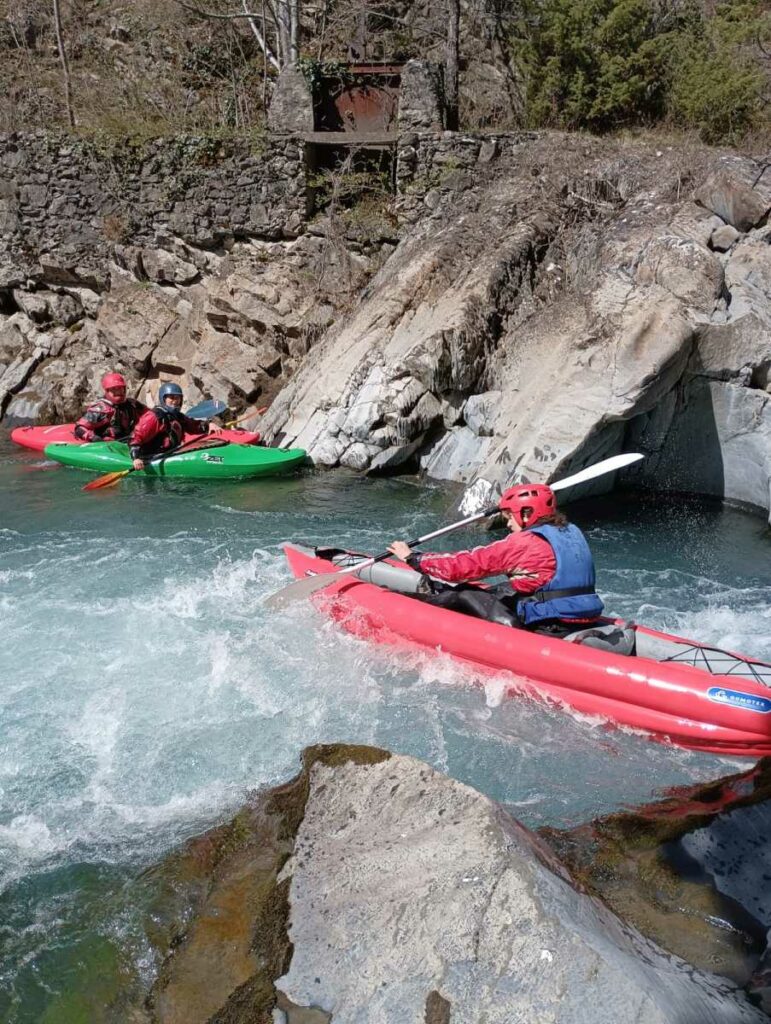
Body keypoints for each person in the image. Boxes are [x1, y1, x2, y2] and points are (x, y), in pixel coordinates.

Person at [388, 483, 604, 635]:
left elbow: (465, 566)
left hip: (550, 622)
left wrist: (414, 559)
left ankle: (406, 605)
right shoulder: (571, 531)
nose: (508, 524)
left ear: (526, 513)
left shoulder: (525, 543)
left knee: (464, 593)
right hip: (584, 613)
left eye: (510, 517)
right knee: (501, 589)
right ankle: (435, 590)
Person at [129, 381, 219, 470]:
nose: (175, 401)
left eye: (177, 398)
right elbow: (136, 436)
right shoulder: (154, 416)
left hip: (170, 453)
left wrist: (208, 425)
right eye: (171, 398)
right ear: (164, 399)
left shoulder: (178, 416)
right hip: (151, 457)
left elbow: (193, 425)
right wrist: (136, 458)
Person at [73, 372, 147, 442]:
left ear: (124, 389)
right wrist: (93, 437)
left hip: (129, 440)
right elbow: (79, 428)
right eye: (114, 389)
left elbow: (148, 415)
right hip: (107, 444)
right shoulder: (100, 409)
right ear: (107, 391)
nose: (118, 392)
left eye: (120, 388)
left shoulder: (133, 404)